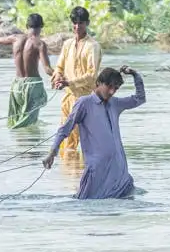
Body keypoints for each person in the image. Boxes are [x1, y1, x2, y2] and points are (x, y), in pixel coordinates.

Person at [42, 67, 146, 199]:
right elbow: (65, 129)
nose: (112, 91)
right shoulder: (84, 103)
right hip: (97, 172)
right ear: (98, 83)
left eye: (116, 88)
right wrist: (52, 152)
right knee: (88, 206)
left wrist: (135, 74)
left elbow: (140, 98)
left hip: (118, 172)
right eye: (109, 86)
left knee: (122, 211)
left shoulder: (115, 103)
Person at [50, 6, 103, 154]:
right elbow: (59, 67)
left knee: (84, 140)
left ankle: (80, 172)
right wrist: (58, 78)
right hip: (68, 97)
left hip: (86, 99)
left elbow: (92, 75)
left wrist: (69, 82)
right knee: (65, 138)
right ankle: (68, 173)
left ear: (87, 23)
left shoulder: (93, 46)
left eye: (81, 23)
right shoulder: (67, 44)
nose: (77, 26)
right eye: (74, 23)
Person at [0, 14, 54, 129]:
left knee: (17, 121)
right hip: (32, 87)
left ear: (26, 26)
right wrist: (62, 76)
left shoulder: (15, 38)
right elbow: (47, 69)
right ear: (41, 27)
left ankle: (18, 144)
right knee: (29, 124)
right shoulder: (40, 44)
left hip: (17, 86)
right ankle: (30, 145)